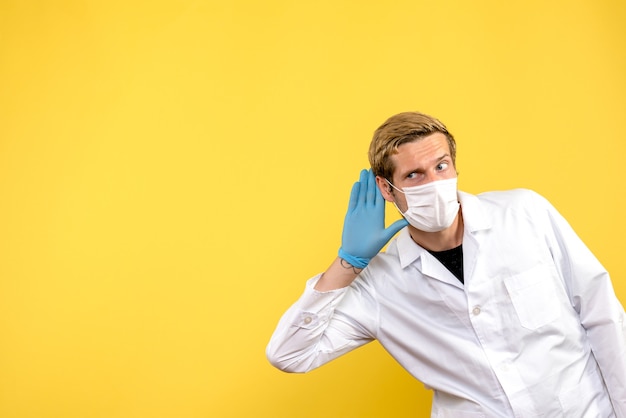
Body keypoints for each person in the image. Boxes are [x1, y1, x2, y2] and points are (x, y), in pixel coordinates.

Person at [266, 111, 626, 417]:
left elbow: (602, 315)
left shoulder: (524, 214)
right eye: (414, 175)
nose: (434, 183)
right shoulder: (379, 287)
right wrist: (348, 262)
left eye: (441, 166)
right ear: (387, 189)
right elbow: (289, 354)